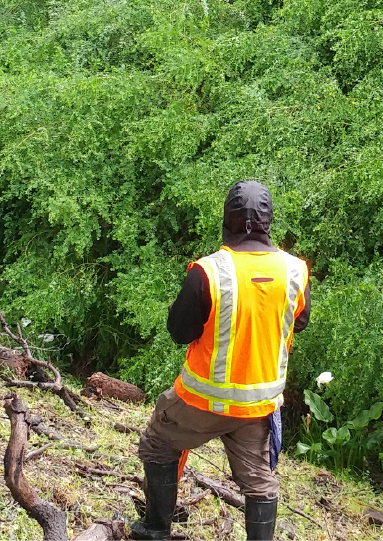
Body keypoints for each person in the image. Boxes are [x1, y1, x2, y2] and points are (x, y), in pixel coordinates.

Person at [131, 181, 310, 541]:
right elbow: (299, 323)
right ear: (269, 221)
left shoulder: (209, 271)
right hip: (258, 406)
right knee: (260, 481)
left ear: (227, 219)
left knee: (157, 442)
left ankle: (154, 530)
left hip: (201, 401)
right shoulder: (295, 270)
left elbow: (179, 331)